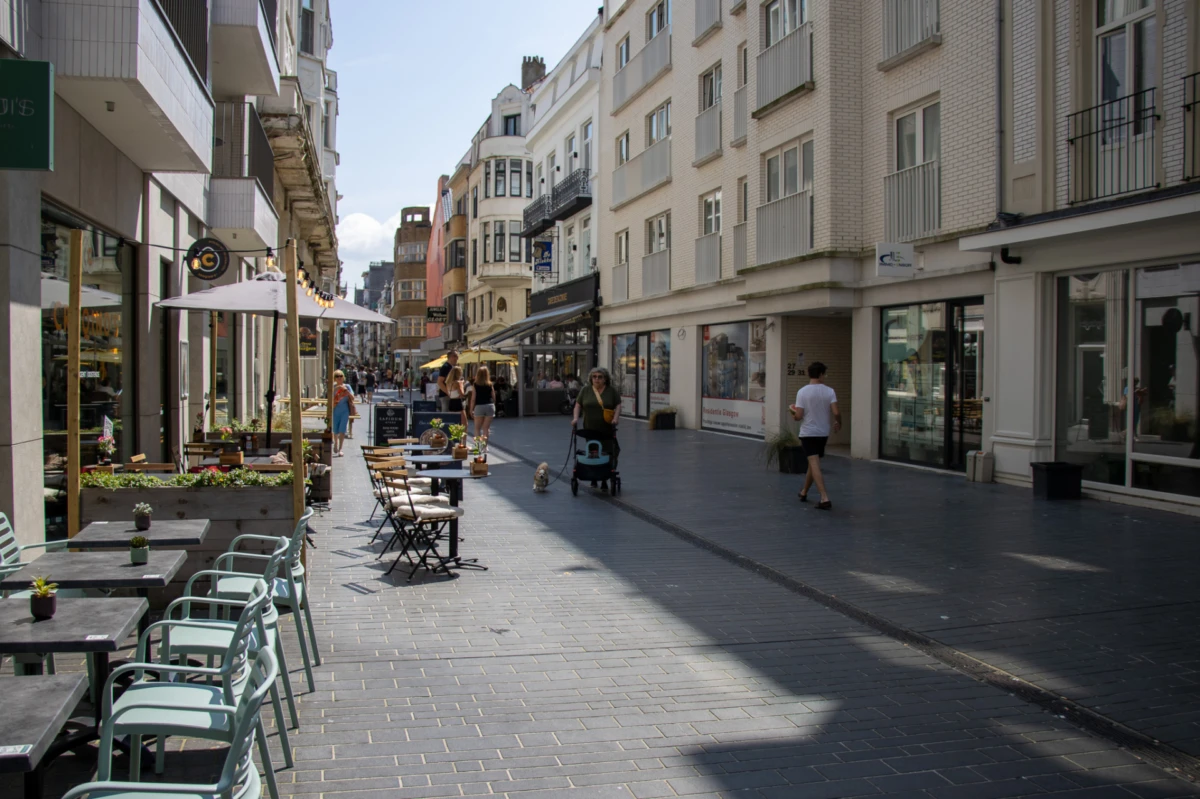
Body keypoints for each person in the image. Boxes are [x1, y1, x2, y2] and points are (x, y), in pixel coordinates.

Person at [789, 362, 841, 510]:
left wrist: (793, 415)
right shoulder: (830, 391)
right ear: (821, 374)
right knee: (814, 463)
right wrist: (838, 422)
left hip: (808, 432)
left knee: (814, 463)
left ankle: (824, 497)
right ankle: (804, 492)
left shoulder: (802, 392)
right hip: (823, 432)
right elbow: (836, 412)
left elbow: (799, 416)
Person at [572, 367, 621, 492]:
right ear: (591, 378)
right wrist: (575, 418)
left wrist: (616, 418)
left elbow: (618, 405)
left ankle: (605, 478)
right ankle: (593, 477)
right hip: (590, 427)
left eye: (600, 377)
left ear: (605, 379)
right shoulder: (585, 390)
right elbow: (578, 405)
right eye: (594, 377)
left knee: (608, 451)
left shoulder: (611, 391)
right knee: (593, 451)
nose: (597, 379)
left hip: (607, 428)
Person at [330, 369, 356, 457]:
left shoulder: (347, 386)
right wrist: (337, 389)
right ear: (334, 378)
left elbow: (353, 398)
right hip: (335, 410)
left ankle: (341, 449)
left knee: (342, 429)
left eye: (341, 376)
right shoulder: (333, 387)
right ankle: (336, 443)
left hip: (345, 410)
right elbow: (329, 398)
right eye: (337, 376)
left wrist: (347, 391)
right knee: (335, 429)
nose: (339, 378)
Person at [469, 366, 496, 443]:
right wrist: (493, 405)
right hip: (490, 406)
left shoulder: (475, 385)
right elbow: (494, 397)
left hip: (479, 406)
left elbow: (473, 399)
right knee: (486, 428)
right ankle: (485, 446)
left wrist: (471, 409)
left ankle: (478, 445)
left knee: (477, 428)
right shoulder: (490, 384)